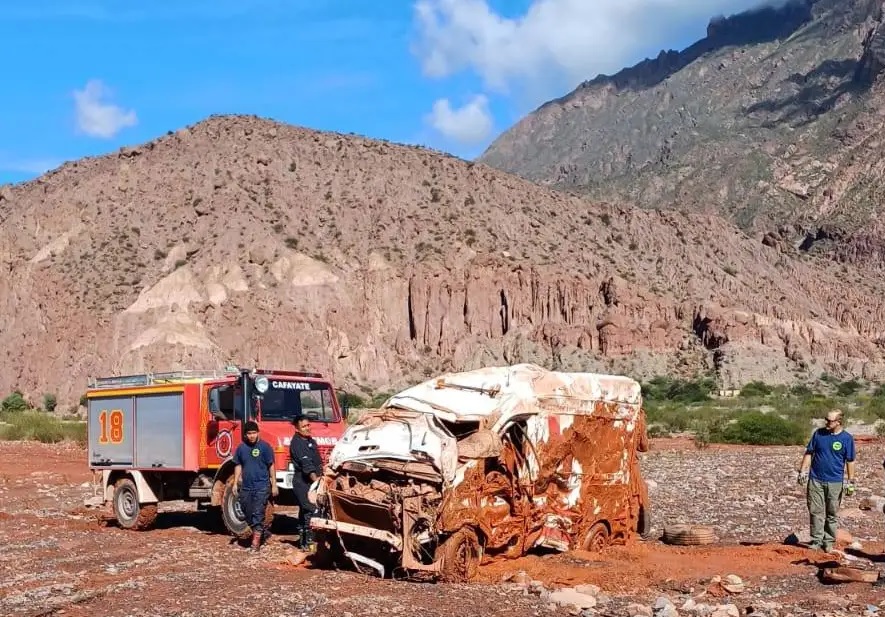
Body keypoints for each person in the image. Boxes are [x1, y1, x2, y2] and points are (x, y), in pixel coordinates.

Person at [796, 409, 856, 553]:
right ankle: (816, 540)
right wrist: (803, 471)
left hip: (835, 481)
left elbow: (850, 461)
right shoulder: (819, 434)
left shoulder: (847, 438)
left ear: (839, 422)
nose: (826, 423)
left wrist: (851, 481)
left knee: (832, 512)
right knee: (815, 511)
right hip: (815, 479)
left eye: (830, 421)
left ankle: (828, 541)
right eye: (826, 419)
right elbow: (809, 453)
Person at [232, 420, 278, 552]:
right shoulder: (241, 448)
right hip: (246, 486)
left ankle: (255, 543)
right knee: (246, 511)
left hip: (262, 485)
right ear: (245, 435)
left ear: (258, 433)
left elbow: (271, 465)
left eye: (254, 433)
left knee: (258, 512)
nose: (252, 436)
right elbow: (238, 465)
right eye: (249, 433)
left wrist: (274, 484)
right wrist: (235, 483)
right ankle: (260, 532)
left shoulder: (265, 447)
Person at [289, 414, 323, 551]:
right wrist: (316, 482)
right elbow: (307, 465)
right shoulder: (297, 443)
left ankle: (303, 542)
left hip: (313, 479)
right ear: (297, 429)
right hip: (303, 481)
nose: (307, 428)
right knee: (311, 509)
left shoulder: (311, 441)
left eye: (308, 425)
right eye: (304, 426)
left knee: (304, 511)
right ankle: (310, 544)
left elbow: (317, 462)